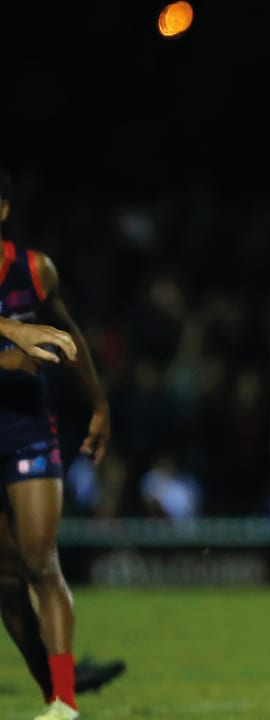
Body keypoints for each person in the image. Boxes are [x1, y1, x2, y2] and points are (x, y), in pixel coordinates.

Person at [0, 171, 123, 720]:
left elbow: (68, 337)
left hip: (26, 427)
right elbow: (23, 351)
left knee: (39, 561)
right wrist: (13, 334)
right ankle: (55, 691)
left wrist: (98, 405)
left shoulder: (34, 270)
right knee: (4, 582)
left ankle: (65, 703)